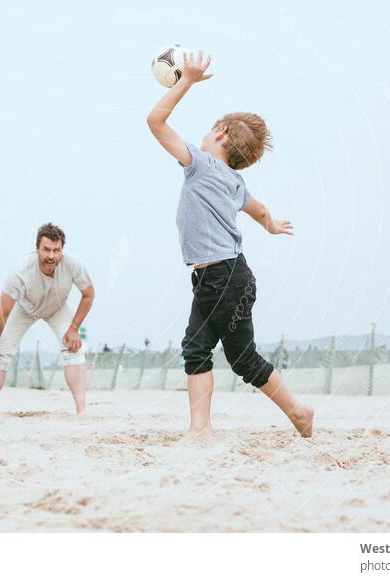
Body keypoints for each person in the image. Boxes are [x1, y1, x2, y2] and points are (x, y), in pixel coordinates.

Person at [146, 49, 314, 440]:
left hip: (224, 277)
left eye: (209, 129)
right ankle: (200, 428)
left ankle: (299, 412)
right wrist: (271, 225)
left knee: (242, 359)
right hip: (219, 278)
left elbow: (155, 121)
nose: (203, 135)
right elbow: (258, 209)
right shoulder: (236, 183)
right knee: (197, 348)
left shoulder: (201, 164)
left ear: (219, 134)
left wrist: (185, 80)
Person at [0, 223, 95, 416]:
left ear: (62, 250)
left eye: (56, 250)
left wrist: (74, 328)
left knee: (74, 349)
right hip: (25, 309)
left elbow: (89, 294)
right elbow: (2, 313)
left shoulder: (73, 264)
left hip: (57, 307)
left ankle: (82, 411)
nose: (51, 256)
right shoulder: (19, 272)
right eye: (46, 250)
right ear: (37, 249)